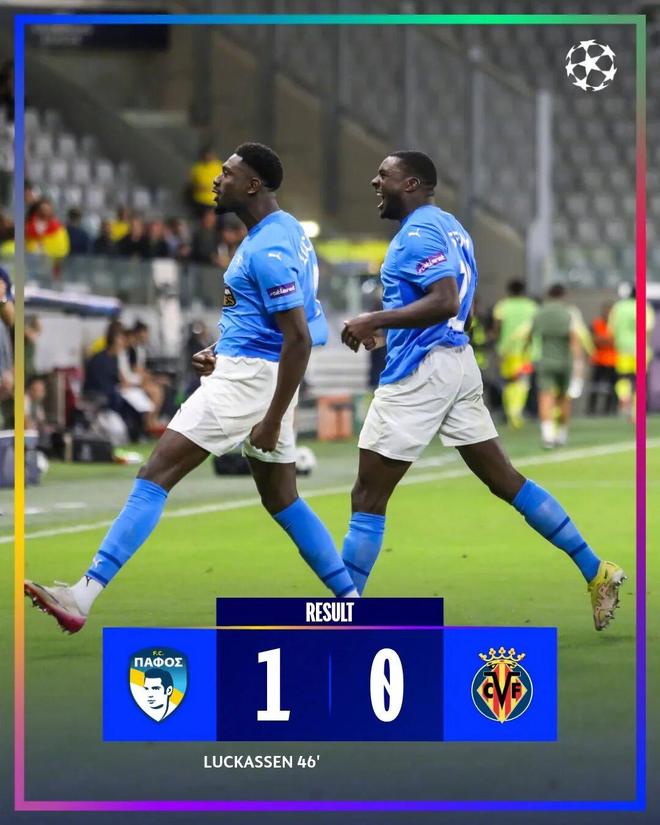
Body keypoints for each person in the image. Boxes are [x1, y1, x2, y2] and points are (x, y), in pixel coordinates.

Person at [25, 142, 359, 633]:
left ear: (253, 185)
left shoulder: (267, 249)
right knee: (282, 498)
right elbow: (289, 323)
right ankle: (352, 602)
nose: (215, 181)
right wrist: (223, 349)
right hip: (259, 372)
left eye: (227, 173)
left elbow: (300, 338)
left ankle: (83, 595)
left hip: (247, 381)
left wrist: (269, 416)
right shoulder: (286, 232)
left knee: (154, 474)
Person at [339, 150, 624, 631]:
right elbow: (463, 311)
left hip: (421, 374)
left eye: (383, 175)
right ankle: (596, 569)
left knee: (367, 495)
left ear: (410, 184)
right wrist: (391, 331)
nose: (374, 182)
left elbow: (446, 300)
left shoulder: (417, 234)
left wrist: (374, 319)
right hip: (457, 361)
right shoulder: (453, 228)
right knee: (505, 480)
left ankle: (341, 619)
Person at [530, 284, 582, 449]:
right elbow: (574, 339)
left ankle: (547, 436)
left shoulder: (539, 312)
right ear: (563, 295)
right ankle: (562, 435)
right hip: (565, 361)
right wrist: (578, 363)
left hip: (545, 360)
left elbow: (531, 335)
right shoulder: (569, 312)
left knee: (545, 397)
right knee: (564, 398)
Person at [492, 279, 537, 429]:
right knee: (522, 382)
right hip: (525, 351)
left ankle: (510, 411)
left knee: (508, 382)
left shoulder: (502, 306)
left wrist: (497, 346)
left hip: (506, 350)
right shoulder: (531, 306)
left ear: (509, 291)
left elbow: (497, 328)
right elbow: (533, 330)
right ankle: (516, 411)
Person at [608, 286, 655, 420]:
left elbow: (611, 329)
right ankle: (636, 411)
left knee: (623, 378)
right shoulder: (644, 307)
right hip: (640, 350)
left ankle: (624, 397)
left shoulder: (619, 307)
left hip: (622, 349)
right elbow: (647, 329)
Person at [587, 302, 617, 415]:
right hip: (598, 360)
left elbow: (616, 341)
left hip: (613, 361)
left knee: (612, 388)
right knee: (595, 387)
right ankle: (591, 410)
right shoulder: (597, 323)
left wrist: (604, 340)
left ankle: (610, 410)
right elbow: (593, 340)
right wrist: (607, 340)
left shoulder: (616, 325)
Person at [188, 146, 223, 218]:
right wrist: (198, 187)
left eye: (210, 155)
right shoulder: (197, 168)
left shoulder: (220, 166)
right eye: (206, 155)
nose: (208, 157)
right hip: (200, 200)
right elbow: (191, 184)